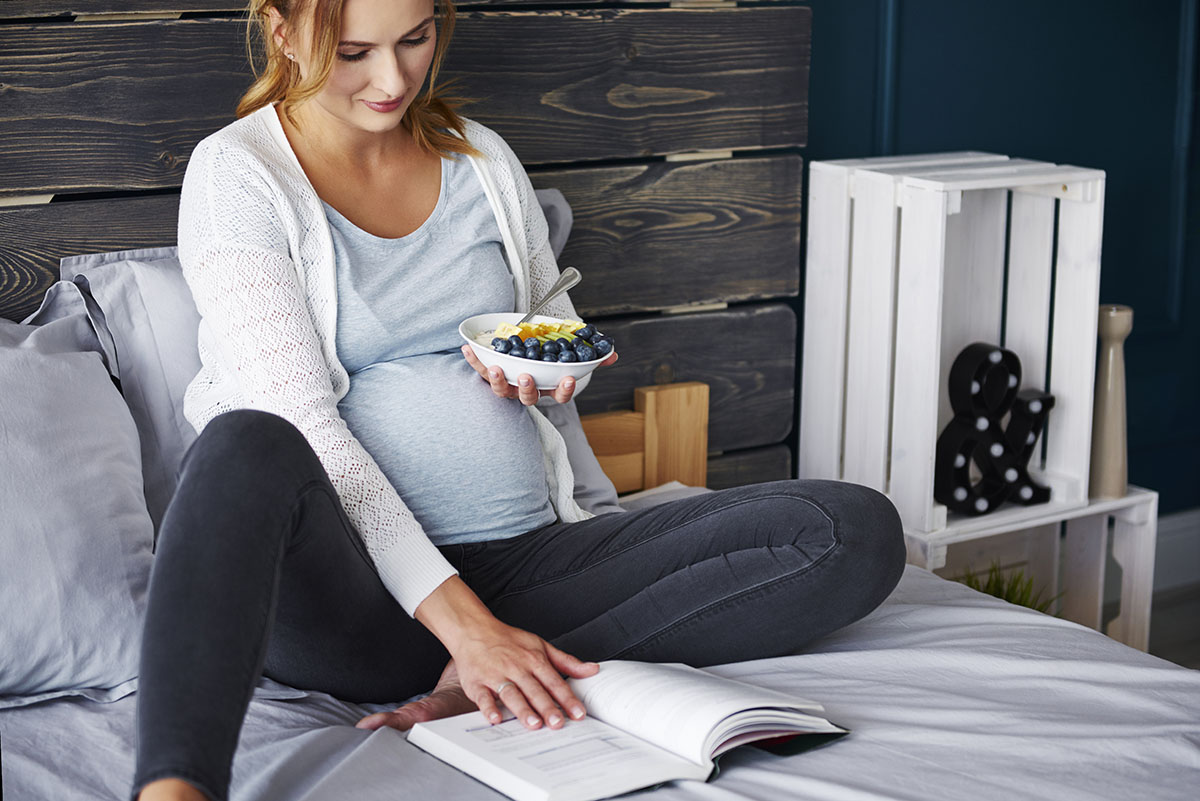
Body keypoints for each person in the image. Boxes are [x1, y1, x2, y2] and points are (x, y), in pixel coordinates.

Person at [132, 1, 906, 799]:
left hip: (529, 563)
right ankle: (177, 787)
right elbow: (304, 426)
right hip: (352, 600)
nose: (393, 79)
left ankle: (493, 665)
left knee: (849, 530)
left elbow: (552, 321)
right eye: (356, 51)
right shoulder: (239, 173)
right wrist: (465, 625)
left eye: (415, 39)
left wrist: (553, 366)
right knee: (246, 440)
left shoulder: (482, 160)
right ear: (283, 31)